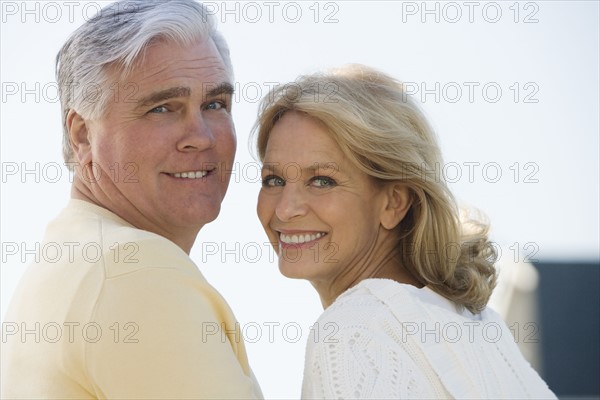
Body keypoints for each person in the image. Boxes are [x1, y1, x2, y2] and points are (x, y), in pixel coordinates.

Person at [1, 1, 262, 398]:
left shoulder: (69, 260)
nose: (202, 137)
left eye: (214, 105)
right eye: (162, 108)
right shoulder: (134, 271)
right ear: (83, 135)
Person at [254, 65, 556, 399]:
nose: (284, 208)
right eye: (274, 180)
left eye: (322, 180)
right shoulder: (482, 327)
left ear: (395, 202)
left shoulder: (353, 330)